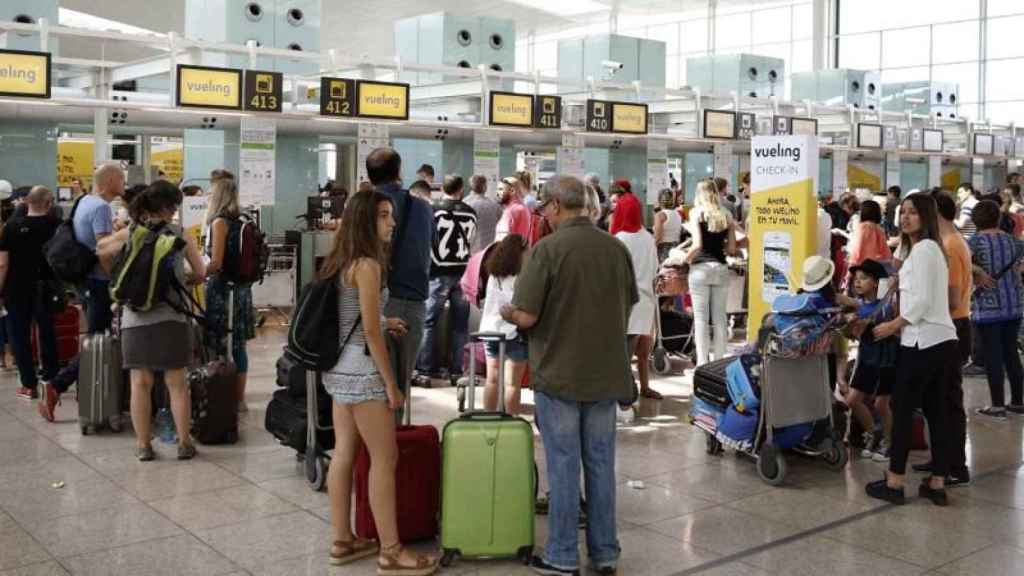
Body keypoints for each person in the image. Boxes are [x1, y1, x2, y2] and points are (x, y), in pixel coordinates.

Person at [500, 175, 636, 575]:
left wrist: (508, 312)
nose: (543, 215)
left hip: (559, 374)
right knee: (600, 464)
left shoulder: (547, 250)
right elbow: (626, 304)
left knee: (563, 466)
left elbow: (526, 315)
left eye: (545, 208)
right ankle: (605, 552)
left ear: (557, 206)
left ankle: (562, 555)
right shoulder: (615, 249)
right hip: (605, 374)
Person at [317, 189, 437, 575]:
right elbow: (369, 331)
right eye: (384, 216)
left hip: (338, 371)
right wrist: (391, 383)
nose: (392, 222)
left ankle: (342, 539)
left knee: (343, 454)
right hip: (364, 372)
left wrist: (385, 321)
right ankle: (391, 550)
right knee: (385, 459)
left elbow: (355, 314)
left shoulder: (342, 260)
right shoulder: (368, 265)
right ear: (367, 221)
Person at [866, 192, 957, 507]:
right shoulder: (930, 250)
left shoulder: (924, 251)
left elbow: (920, 300)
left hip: (921, 341)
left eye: (913, 213)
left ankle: (894, 482)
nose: (905, 217)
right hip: (942, 341)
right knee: (937, 412)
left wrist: (893, 326)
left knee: (902, 411)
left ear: (926, 217)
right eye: (902, 212)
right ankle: (937, 482)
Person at [115, 181, 206, 461]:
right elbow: (201, 272)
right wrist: (182, 281)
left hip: (134, 317)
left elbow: (105, 256)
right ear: (169, 208)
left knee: (140, 382)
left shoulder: (129, 232)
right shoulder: (180, 234)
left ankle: (143, 445)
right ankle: (183, 442)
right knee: (176, 383)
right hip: (172, 316)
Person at [41, 163, 125, 416]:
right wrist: (117, 280)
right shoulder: (100, 207)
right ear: (110, 180)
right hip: (98, 282)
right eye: (121, 179)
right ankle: (56, 386)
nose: (124, 184)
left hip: (84, 281)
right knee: (99, 340)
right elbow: (104, 250)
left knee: (96, 337)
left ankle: (83, 391)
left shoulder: (84, 201)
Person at [911, 191, 972, 486]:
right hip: (951, 325)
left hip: (952, 327)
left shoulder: (948, 245)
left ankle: (954, 466)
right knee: (938, 399)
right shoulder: (950, 242)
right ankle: (941, 460)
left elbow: (951, 297)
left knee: (948, 401)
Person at [368, 149, 434, 417]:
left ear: (370, 176)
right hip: (411, 302)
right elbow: (428, 250)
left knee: (372, 381)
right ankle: (392, 443)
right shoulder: (422, 207)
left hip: (372, 299)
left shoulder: (364, 206)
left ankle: (372, 449)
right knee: (398, 384)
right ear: (399, 172)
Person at [0, 186, 61, 401]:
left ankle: (28, 384)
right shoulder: (56, 226)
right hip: (47, 287)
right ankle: (52, 379)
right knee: (47, 332)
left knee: (18, 335)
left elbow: (3, 264)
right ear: (49, 202)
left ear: (27, 202)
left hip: (16, 288)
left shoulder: (11, 227)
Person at [414, 175, 477, 384]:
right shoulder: (471, 212)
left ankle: (425, 369)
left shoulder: (433, 210)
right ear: (461, 189)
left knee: (429, 322)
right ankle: (457, 370)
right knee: (460, 325)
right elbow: (471, 243)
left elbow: (426, 241)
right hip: (462, 273)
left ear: (442, 188)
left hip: (437, 273)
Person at [203, 177, 258, 413]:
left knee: (220, 343)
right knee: (239, 346)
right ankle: (239, 398)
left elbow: (215, 262)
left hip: (222, 291)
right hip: (242, 291)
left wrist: (194, 271)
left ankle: (221, 393)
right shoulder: (244, 219)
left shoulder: (219, 223)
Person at [966, 199, 1024, 420]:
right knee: (1011, 353)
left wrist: (977, 270)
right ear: (998, 218)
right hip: (1014, 304)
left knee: (992, 355)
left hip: (988, 307)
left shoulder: (974, 242)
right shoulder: (1014, 241)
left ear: (976, 219)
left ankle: (997, 405)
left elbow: (959, 262)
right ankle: (1018, 401)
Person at [842, 260, 896, 462]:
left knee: (882, 404)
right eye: (856, 279)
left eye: (864, 279)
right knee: (852, 400)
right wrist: (850, 326)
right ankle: (875, 433)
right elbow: (850, 335)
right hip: (866, 358)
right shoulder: (858, 307)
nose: (858, 283)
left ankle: (890, 444)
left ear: (876, 283)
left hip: (887, 358)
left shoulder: (887, 305)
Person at [614, 191, 662, 401]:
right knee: (642, 351)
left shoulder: (620, 239)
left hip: (625, 303)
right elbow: (654, 270)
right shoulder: (648, 237)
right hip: (646, 302)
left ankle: (625, 395)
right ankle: (643, 387)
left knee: (623, 354)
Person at [685, 179, 738, 366]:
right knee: (720, 318)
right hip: (721, 268)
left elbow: (697, 245)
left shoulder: (695, 213)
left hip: (700, 269)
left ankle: (702, 363)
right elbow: (732, 249)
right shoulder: (727, 215)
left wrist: (685, 259)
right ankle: (719, 363)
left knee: (701, 319)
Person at [478, 234, 529, 414]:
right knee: (512, 384)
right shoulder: (521, 278)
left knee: (492, 379)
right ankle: (512, 423)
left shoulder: (494, 275)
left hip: (490, 331)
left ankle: (488, 418)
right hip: (514, 333)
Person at [848, 200, 892, 269]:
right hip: (874, 267)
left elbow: (857, 249)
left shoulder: (861, 227)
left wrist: (850, 268)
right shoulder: (879, 229)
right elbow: (886, 253)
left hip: (860, 266)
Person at [464, 174, 502, 252]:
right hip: (489, 250)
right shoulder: (494, 205)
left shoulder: (464, 204)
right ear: (485, 187)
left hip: (469, 250)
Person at [495, 176, 531, 241]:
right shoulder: (522, 208)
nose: (497, 193)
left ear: (512, 191)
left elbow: (502, 240)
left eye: (500, 189)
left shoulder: (512, 211)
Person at [653, 188, 683, 262]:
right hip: (676, 247)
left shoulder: (660, 215)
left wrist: (650, 247)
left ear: (659, 200)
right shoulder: (677, 214)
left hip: (663, 249)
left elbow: (658, 237)